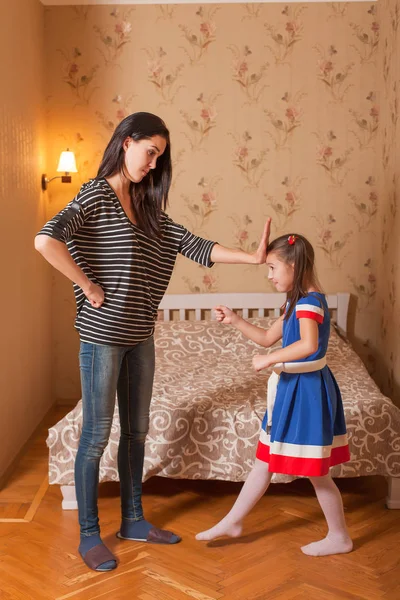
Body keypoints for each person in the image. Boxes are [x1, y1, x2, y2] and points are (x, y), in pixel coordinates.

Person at [35, 112, 271, 572]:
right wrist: (88, 286)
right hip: (102, 339)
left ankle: (132, 520)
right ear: (126, 142)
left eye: (160, 157)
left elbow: (195, 245)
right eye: (150, 152)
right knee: (96, 436)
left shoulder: (147, 209)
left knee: (137, 433)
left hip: (141, 335)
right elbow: (45, 240)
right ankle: (88, 535)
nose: (153, 163)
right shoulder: (95, 196)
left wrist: (251, 256)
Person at [196, 232, 353, 557]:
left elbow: (307, 346)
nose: (269, 276)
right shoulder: (297, 302)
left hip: (306, 391)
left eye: (271, 268)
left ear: (294, 265)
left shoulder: (310, 303)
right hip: (291, 389)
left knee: (317, 473)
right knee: (265, 460)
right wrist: (237, 320)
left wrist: (270, 360)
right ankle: (234, 520)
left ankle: (339, 536)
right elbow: (268, 337)